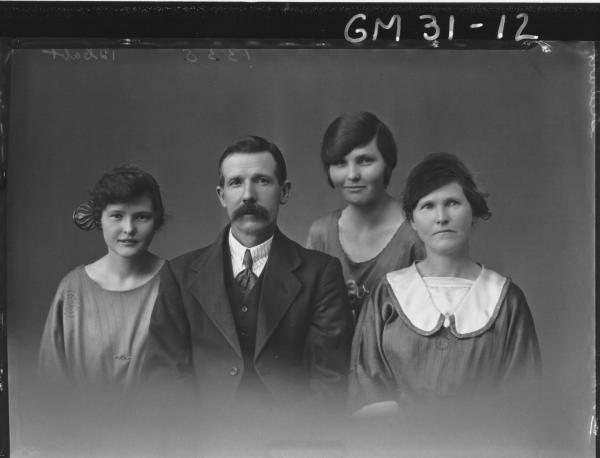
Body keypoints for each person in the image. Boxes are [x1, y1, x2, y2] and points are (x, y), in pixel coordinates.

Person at [143, 135, 353, 414]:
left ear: (285, 191)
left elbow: (330, 380)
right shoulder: (179, 274)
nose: (248, 195)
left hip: (290, 441)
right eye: (235, 182)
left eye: (262, 180)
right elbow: (164, 378)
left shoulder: (320, 273)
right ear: (221, 195)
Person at [348, 152, 541, 415]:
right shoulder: (387, 295)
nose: (441, 217)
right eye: (427, 206)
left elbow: (523, 400)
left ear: (472, 212)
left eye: (452, 203)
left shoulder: (506, 298)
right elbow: (367, 391)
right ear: (412, 221)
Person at [38, 165, 166, 391]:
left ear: (156, 220)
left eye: (141, 217)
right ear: (99, 218)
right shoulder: (72, 289)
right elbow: (51, 381)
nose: (128, 228)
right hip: (84, 423)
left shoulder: (174, 283)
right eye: (117, 216)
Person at [306, 111, 423, 318]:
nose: (352, 175)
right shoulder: (321, 233)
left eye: (365, 160)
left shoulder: (415, 233)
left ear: (387, 163)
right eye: (340, 163)